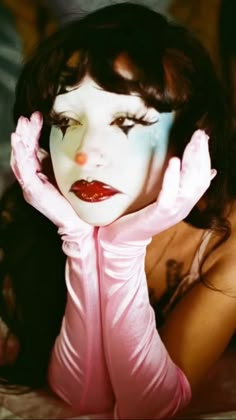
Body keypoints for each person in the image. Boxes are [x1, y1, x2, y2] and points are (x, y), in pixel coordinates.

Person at [0, 2, 235, 418]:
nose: (85, 156)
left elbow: (145, 409)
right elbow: (86, 401)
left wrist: (123, 250)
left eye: (127, 122)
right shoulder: (25, 218)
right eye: (66, 121)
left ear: (191, 138)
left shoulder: (228, 240)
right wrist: (80, 242)